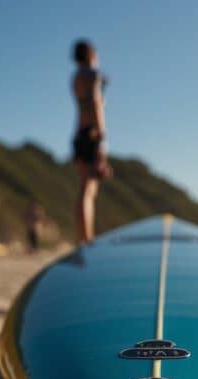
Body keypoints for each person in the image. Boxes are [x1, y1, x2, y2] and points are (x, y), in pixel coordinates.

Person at [71, 39, 111, 245]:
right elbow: (96, 104)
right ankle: (88, 238)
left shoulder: (76, 78)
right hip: (92, 134)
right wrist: (102, 138)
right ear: (92, 55)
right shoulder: (92, 75)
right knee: (89, 189)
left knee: (83, 187)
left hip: (79, 133)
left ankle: (82, 236)